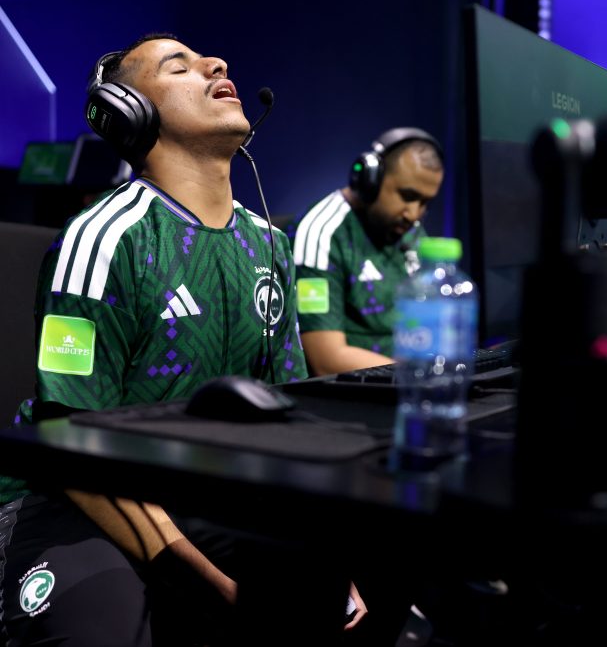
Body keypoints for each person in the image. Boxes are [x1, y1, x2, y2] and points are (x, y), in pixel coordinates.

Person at [0, 33, 366, 646]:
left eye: (208, 60)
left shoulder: (270, 245)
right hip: (70, 499)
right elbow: (69, 440)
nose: (216, 64)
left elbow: (288, 418)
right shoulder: (104, 239)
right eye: (180, 66)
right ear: (130, 112)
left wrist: (324, 553)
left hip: (198, 492)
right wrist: (211, 586)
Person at [290, 128, 444, 375]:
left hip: (406, 380)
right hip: (355, 392)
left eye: (425, 202)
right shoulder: (322, 232)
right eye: (407, 196)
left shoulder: (410, 230)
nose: (414, 214)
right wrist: (415, 375)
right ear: (371, 180)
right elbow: (326, 358)